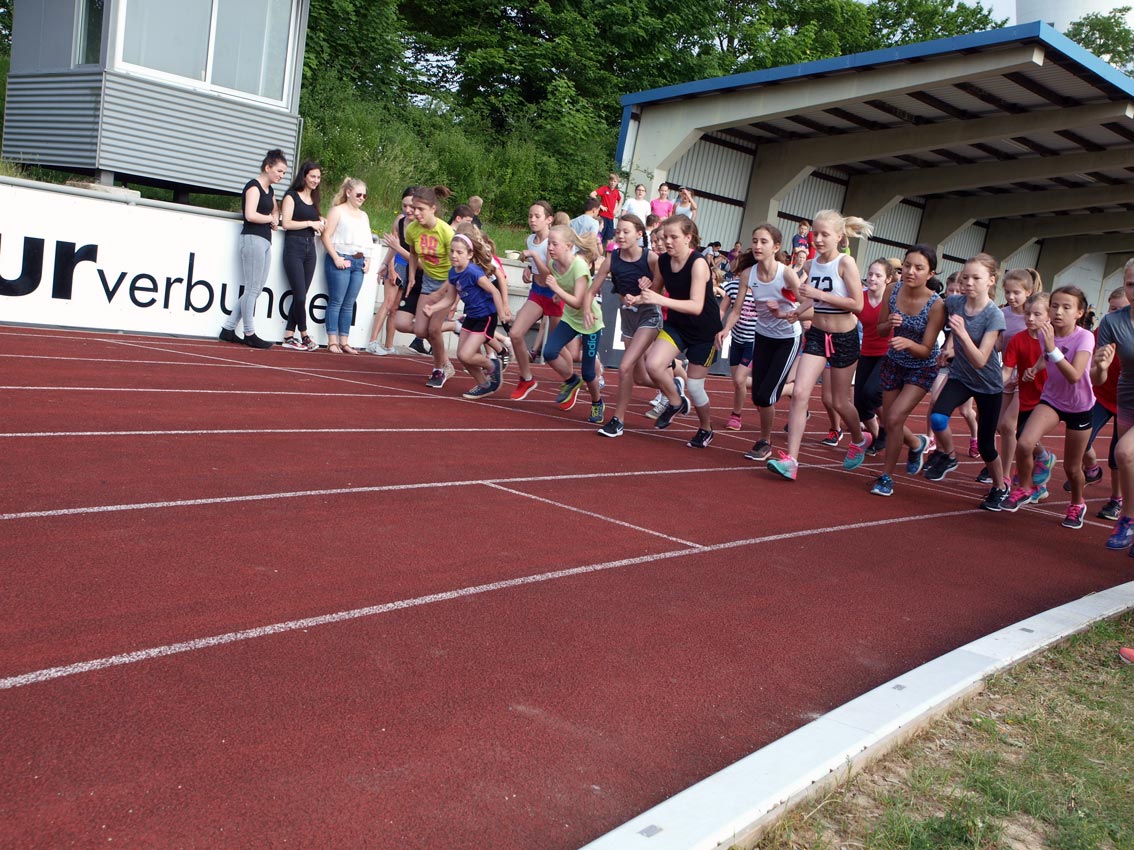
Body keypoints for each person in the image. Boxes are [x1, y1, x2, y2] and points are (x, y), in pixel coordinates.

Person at [768, 209, 873, 481]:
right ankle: (791, 460)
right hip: (817, 335)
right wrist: (794, 311)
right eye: (816, 233)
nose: (818, 239)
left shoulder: (845, 263)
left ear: (839, 236)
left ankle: (859, 438)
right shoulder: (811, 265)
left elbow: (857, 304)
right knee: (800, 392)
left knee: (839, 402)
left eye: (825, 234)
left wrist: (818, 294)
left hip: (844, 338)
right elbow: (811, 300)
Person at [1002, 286, 1096, 528]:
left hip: (1079, 405)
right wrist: (1036, 368)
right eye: (1054, 306)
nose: (1059, 312)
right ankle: (1025, 488)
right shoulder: (1047, 333)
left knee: (1072, 468)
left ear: (1079, 313)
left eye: (1066, 307)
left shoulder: (1085, 337)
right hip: (1052, 399)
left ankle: (1077, 503)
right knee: (1024, 442)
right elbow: (1047, 356)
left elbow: (1074, 375)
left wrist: (1052, 348)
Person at [922, 255, 1008, 511]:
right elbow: (931, 304)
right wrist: (948, 347)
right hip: (960, 376)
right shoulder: (955, 302)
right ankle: (949, 455)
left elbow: (981, 359)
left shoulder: (994, 315)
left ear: (991, 281)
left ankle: (999, 487)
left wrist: (961, 334)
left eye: (976, 278)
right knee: (938, 417)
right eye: (965, 278)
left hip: (988, 384)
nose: (969, 283)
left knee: (986, 445)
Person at [628, 215, 721, 448]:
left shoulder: (698, 263)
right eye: (664, 237)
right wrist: (638, 296)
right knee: (653, 364)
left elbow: (696, 306)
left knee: (696, 388)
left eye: (673, 237)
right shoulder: (663, 261)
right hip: (678, 325)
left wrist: (658, 298)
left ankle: (706, 428)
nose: (667, 242)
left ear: (688, 238)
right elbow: (656, 289)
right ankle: (675, 400)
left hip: (704, 331)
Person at [868, 244, 947, 498]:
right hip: (894, 362)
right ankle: (913, 447)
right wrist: (889, 324)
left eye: (919, 268)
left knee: (893, 418)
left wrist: (909, 343)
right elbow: (880, 330)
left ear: (930, 273)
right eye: (907, 266)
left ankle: (886, 477)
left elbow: (926, 350)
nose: (911, 271)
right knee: (891, 422)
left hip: (921, 367)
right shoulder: (892, 290)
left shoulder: (936, 305)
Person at [723, 225, 805, 460]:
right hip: (762, 336)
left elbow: (806, 307)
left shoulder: (786, 274)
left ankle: (765, 441)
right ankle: (766, 436)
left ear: (776, 247)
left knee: (765, 395)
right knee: (759, 393)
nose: (757, 246)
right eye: (755, 241)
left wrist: (786, 313)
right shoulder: (748, 274)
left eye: (764, 242)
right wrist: (725, 330)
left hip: (787, 338)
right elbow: (736, 309)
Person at [525, 225, 606, 423]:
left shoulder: (579, 267)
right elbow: (564, 287)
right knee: (549, 352)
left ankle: (597, 402)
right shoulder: (554, 265)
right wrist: (557, 294)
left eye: (554, 244)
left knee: (588, 372)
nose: (550, 248)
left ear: (568, 246)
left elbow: (578, 301)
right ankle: (571, 380)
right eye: (549, 244)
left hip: (589, 321)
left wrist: (556, 290)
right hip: (571, 319)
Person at [590, 214, 661, 437]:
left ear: (639, 234)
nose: (620, 235)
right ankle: (673, 386)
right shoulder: (613, 259)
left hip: (649, 315)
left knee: (624, 367)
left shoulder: (651, 258)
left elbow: (661, 287)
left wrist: (647, 288)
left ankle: (618, 420)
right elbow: (593, 287)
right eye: (617, 231)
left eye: (626, 231)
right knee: (639, 377)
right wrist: (586, 308)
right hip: (628, 318)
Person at [219, 148, 287, 349]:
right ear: (268, 167)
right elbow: (250, 214)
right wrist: (269, 219)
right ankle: (249, 332)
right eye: (279, 171)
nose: (281, 176)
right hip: (252, 238)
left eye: (284, 172)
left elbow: (274, 210)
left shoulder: (270, 191)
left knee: (256, 289)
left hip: (265, 240)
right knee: (252, 288)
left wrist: (274, 218)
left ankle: (229, 328)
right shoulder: (253, 187)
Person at [423, 233, 506, 399]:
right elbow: (449, 298)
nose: (454, 255)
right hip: (471, 317)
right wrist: (433, 308)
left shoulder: (473, 271)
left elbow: (494, 291)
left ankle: (492, 364)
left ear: (469, 254)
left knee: (466, 354)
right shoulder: (453, 273)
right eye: (452, 251)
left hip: (486, 316)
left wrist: (503, 313)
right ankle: (484, 385)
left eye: (459, 252)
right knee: (462, 356)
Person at [1072, 285, 1128, 519]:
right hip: (1102, 396)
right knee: (1080, 438)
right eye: (1111, 309)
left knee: (1118, 455)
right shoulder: (1102, 331)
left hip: (1127, 403)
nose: (1114, 314)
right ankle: (1092, 469)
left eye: (1119, 309)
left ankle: (1117, 499)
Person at [985, 268, 1045, 484]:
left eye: (1016, 293)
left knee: (1009, 426)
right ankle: (1040, 455)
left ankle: (1005, 474)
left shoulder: (1038, 317)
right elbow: (999, 345)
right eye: (1007, 292)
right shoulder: (1002, 314)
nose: (1011, 297)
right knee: (1000, 426)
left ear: (1028, 292)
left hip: (1028, 376)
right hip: (1007, 371)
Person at [1095, 261, 1134, 549]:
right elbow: (1099, 378)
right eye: (1131, 284)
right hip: (1128, 395)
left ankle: (1127, 518)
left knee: (1124, 452)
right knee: (1129, 460)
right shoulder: (1112, 322)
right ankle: (1130, 520)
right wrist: (1101, 366)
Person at [406, 185, 457, 387]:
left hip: (448, 282)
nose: (416, 213)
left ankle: (439, 369)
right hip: (428, 281)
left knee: (434, 329)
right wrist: (412, 276)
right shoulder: (412, 229)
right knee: (420, 331)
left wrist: (448, 294)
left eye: (421, 209)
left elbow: (457, 267)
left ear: (433, 209)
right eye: (414, 208)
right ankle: (445, 360)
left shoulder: (445, 231)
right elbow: (413, 253)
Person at [1002, 292, 1052, 500]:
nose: (1030, 318)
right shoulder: (1018, 339)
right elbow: (1007, 370)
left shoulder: (1054, 339)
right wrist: (994, 384)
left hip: (1049, 398)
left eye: (1037, 314)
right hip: (1026, 395)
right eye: (1027, 314)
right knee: (1025, 441)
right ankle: (1039, 484)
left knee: (1026, 440)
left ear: (1049, 316)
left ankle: (1039, 465)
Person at [509, 201, 559, 400]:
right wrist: (529, 269)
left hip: (555, 295)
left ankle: (588, 374)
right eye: (530, 216)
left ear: (549, 219)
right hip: (537, 292)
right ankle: (526, 378)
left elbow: (552, 274)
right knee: (515, 333)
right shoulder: (530, 239)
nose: (532, 219)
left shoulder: (552, 242)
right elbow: (536, 266)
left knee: (559, 348)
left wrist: (533, 257)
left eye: (537, 216)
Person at [320, 177, 372, 355]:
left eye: (364, 195)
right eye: (359, 194)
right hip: (341, 257)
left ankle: (344, 341)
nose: (362, 198)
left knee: (349, 303)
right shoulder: (337, 211)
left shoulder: (364, 215)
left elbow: (366, 240)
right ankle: (332, 341)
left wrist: (368, 260)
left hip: (358, 261)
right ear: (348, 192)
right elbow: (326, 236)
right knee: (336, 301)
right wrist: (336, 257)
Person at [279, 160, 324, 352]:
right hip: (294, 247)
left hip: (310, 249)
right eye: (312, 176)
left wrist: (320, 221)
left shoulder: (314, 198)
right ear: (304, 176)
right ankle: (304, 334)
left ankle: (289, 335)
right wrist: (310, 223)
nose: (316, 180)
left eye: (318, 177)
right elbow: (286, 223)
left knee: (302, 295)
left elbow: (316, 221)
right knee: (299, 295)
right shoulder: (291, 196)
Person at [854, 259, 896, 451]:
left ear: (888, 279)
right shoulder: (860, 297)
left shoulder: (892, 300)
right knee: (859, 403)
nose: (872, 278)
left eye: (878, 275)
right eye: (870, 274)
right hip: (866, 351)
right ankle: (878, 435)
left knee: (871, 392)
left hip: (887, 353)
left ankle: (887, 427)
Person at [368, 188, 416, 355]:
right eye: (404, 205)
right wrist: (388, 266)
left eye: (411, 206)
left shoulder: (420, 225)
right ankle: (373, 341)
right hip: (397, 264)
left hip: (411, 267)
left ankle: (389, 345)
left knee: (395, 308)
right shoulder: (400, 221)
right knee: (388, 303)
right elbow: (393, 246)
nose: (407, 210)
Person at [590, 173, 623, 245]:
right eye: (611, 181)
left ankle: (607, 252)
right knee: (598, 237)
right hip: (603, 216)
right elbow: (592, 194)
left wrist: (617, 209)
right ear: (609, 181)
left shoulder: (616, 192)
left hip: (611, 217)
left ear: (617, 183)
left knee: (609, 239)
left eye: (614, 181)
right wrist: (600, 205)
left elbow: (620, 200)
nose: (612, 183)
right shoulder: (604, 189)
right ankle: (595, 251)